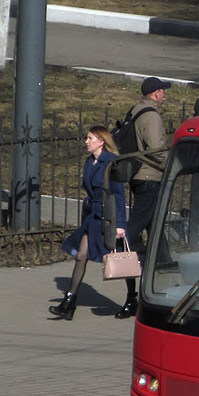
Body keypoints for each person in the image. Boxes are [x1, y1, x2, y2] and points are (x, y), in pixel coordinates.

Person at [49, 126, 128, 320]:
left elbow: (118, 195)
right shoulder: (89, 162)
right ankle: (69, 302)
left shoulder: (111, 162)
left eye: (90, 138)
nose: (86, 141)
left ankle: (132, 298)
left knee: (123, 260)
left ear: (101, 141)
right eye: (87, 138)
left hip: (107, 217)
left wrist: (120, 225)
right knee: (80, 255)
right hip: (92, 216)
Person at [116, 76, 171, 318]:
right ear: (157, 93)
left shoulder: (135, 111)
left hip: (139, 176)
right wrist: (174, 164)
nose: (165, 95)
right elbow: (158, 149)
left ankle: (165, 285)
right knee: (132, 230)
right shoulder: (151, 116)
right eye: (163, 91)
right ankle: (118, 253)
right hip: (151, 178)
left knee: (157, 232)